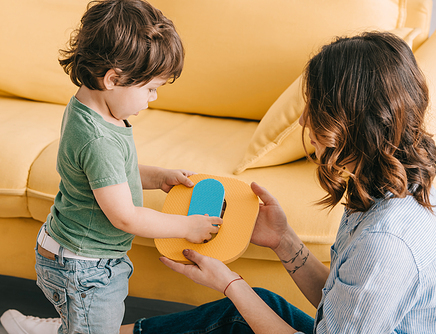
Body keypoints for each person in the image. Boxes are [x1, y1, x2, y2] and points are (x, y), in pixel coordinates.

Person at [118, 31, 436, 333]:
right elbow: (339, 307)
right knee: (255, 306)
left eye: (312, 106)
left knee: (242, 305)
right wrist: (283, 239)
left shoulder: (385, 242)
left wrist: (230, 284)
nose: (301, 119)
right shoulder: (387, 182)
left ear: (346, 119)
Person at [0, 1, 221, 333]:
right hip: (83, 268)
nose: (153, 98)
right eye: (150, 88)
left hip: (76, 255)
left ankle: (66, 325)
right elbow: (125, 216)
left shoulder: (91, 108)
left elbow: (112, 175)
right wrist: (186, 227)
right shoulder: (97, 139)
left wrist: (158, 176)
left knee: (83, 322)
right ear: (113, 79)